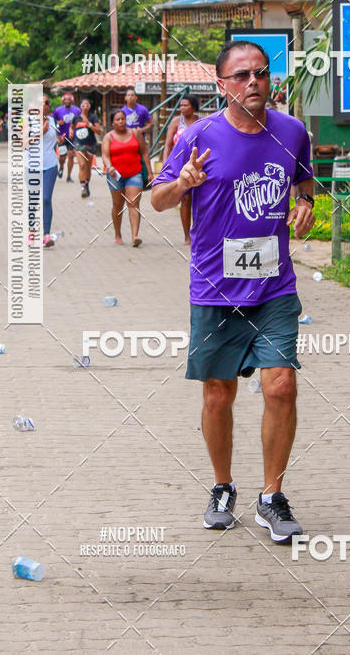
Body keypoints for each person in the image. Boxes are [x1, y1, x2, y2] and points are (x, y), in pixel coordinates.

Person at [152, 40, 315, 544]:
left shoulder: (292, 132)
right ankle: (223, 486)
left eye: (261, 74)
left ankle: (272, 495)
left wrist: (305, 206)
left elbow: (304, 185)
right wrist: (182, 182)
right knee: (218, 393)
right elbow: (157, 200)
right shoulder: (196, 135)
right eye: (241, 75)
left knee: (281, 386)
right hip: (215, 289)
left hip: (274, 287)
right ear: (221, 85)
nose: (253, 82)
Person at [101, 109, 152, 246]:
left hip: (135, 173)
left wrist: (150, 172)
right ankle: (118, 235)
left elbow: (145, 152)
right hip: (115, 176)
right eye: (117, 119)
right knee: (118, 206)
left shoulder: (135, 133)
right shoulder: (109, 137)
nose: (121, 121)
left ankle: (135, 236)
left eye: (123, 118)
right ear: (112, 122)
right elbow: (105, 155)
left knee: (133, 203)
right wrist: (109, 166)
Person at [162, 94, 200, 245]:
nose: (182, 108)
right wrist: (166, 164)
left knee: (199, 200)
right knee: (185, 199)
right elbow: (167, 145)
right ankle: (187, 235)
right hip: (180, 165)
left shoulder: (201, 121)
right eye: (181, 105)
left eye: (186, 105)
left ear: (193, 106)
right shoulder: (176, 122)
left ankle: (198, 231)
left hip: (198, 165)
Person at [26, 94, 60, 247]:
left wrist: (61, 140)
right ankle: (31, 232)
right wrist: (41, 133)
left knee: (46, 199)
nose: (44, 105)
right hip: (32, 166)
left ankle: (46, 234)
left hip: (50, 165)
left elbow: (55, 141)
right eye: (40, 102)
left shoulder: (52, 121)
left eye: (46, 102)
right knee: (33, 199)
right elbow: (22, 144)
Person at [69, 98, 101, 198]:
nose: (85, 107)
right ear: (80, 106)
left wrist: (89, 123)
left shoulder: (93, 117)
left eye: (87, 105)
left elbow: (98, 131)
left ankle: (86, 185)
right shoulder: (76, 117)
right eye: (83, 105)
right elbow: (72, 126)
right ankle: (83, 187)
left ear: (89, 106)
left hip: (90, 144)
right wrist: (70, 131)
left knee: (87, 166)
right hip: (78, 144)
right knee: (82, 165)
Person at [122, 88, 153, 188]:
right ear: (125, 98)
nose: (130, 97)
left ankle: (145, 180)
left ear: (136, 97)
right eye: (128, 95)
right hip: (126, 139)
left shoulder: (142, 109)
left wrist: (142, 130)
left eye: (132, 95)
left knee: (142, 158)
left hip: (139, 138)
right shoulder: (122, 111)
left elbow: (150, 124)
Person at [52, 90, 81, 181]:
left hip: (73, 137)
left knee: (71, 155)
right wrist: (58, 122)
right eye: (66, 99)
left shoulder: (77, 110)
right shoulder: (58, 110)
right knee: (62, 156)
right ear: (63, 100)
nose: (67, 101)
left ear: (72, 100)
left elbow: (80, 120)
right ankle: (61, 167)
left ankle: (68, 176)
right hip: (62, 137)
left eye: (69, 99)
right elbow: (51, 121)